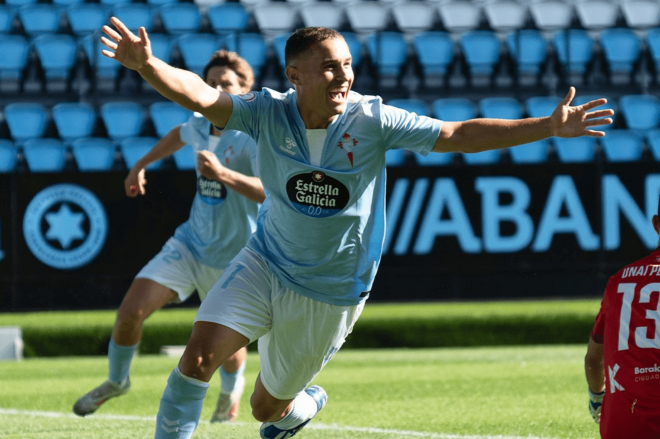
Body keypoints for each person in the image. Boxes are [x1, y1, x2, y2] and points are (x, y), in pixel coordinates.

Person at [100, 18, 614, 439]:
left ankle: (300, 406)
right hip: (265, 261)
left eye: (346, 64)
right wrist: (148, 65)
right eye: (328, 67)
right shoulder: (266, 113)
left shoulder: (372, 120)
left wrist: (547, 127)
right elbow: (201, 98)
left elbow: (456, 134)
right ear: (294, 75)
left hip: (331, 289)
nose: (343, 76)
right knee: (196, 359)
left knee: (264, 408)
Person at [73, 49, 265, 424]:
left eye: (225, 84)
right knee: (131, 311)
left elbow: (267, 192)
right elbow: (177, 136)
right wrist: (140, 165)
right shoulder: (198, 123)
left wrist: (223, 174)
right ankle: (116, 381)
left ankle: (230, 392)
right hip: (189, 244)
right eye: (210, 82)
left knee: (225, 344)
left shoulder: (253, 136)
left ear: (244, 90)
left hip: (235, 256)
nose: (215, 88)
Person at [585, 196, 660, 439]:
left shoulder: (618, 282)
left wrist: (597, 400)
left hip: (621, 428)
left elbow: (593, 361)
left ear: (656, 224)